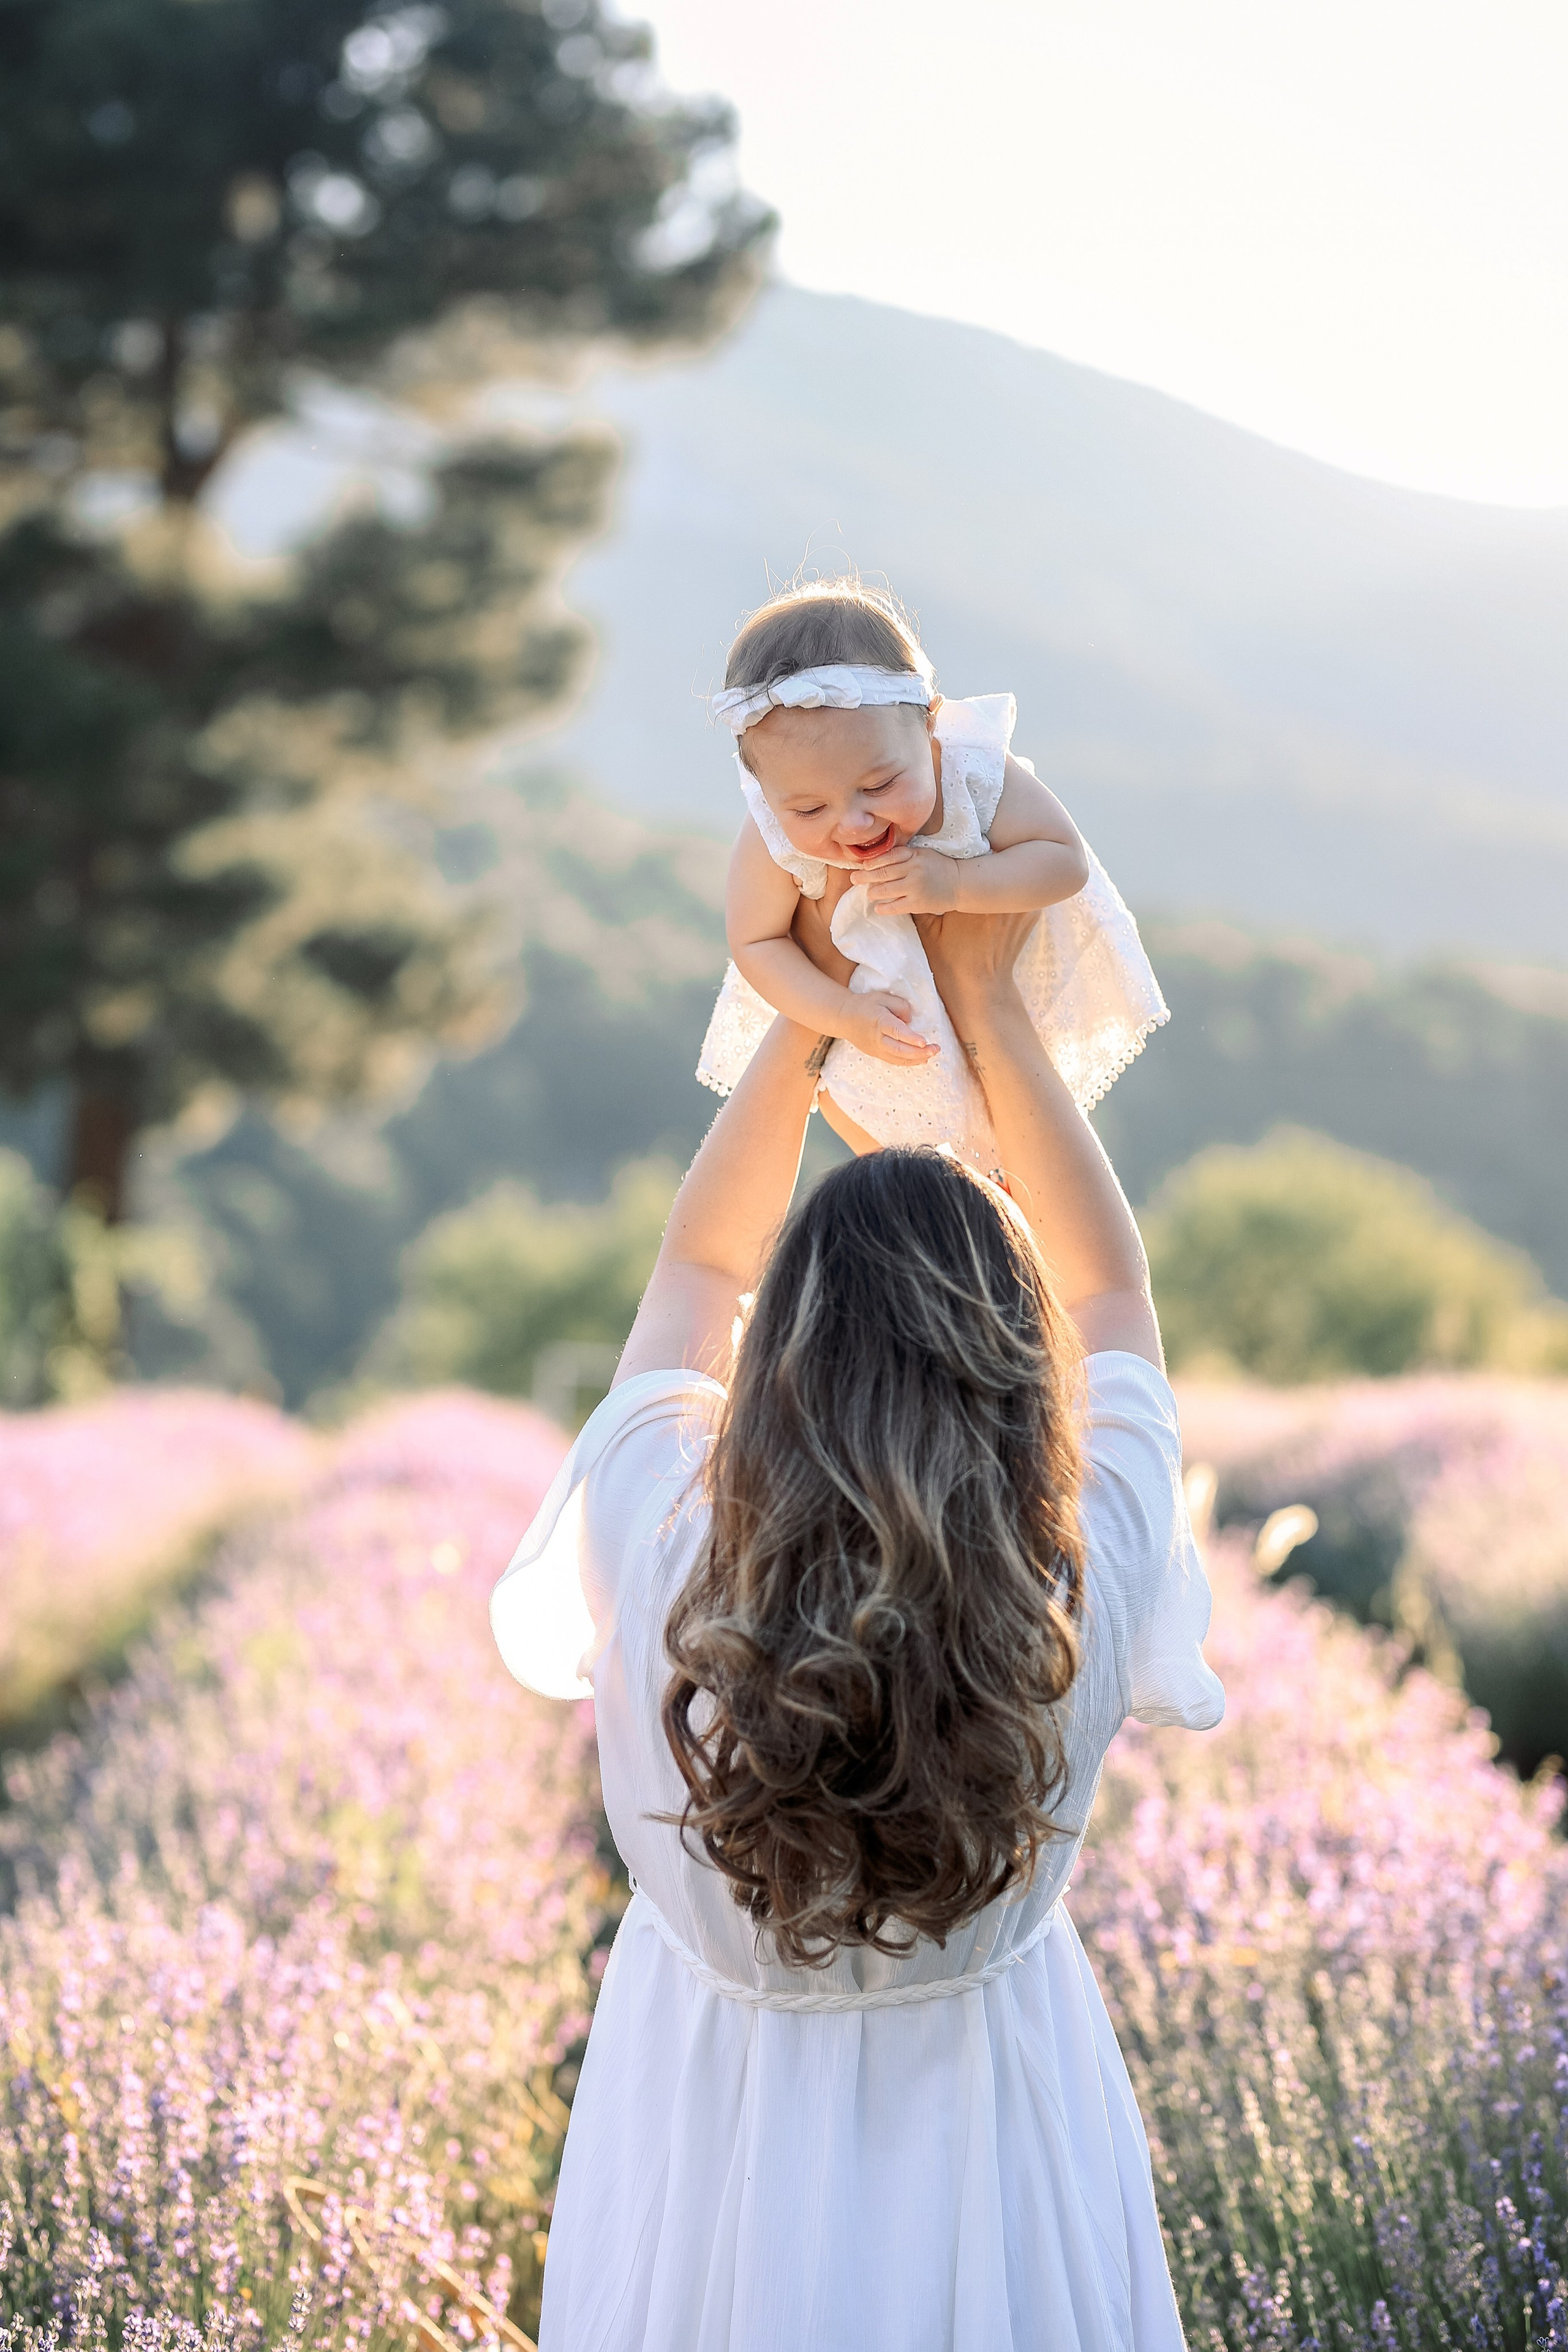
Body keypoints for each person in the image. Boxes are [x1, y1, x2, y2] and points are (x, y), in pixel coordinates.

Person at [491, 903, 1224, 2352]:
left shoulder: (663, 1541)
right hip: (995, 2122)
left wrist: (807, 1001)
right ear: (1021, 1370)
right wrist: (987, 1001)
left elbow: (698, 1265)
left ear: (773, 1354)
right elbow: (1112, 1289)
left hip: (703, 2130)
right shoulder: (1074, 1566)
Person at [697, 579, 1169, 1169]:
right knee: (887, 1148)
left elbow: (1063, 861)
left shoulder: (970, 770)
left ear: (929, 727)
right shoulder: (770, 830)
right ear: (766, 791)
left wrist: (957, 883)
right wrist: (841, 1014)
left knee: (1025, 1148)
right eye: (809, 810)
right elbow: (756, 940)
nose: (854, 821)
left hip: (1003, 997)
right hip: (866, 1022)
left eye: (880, 785)